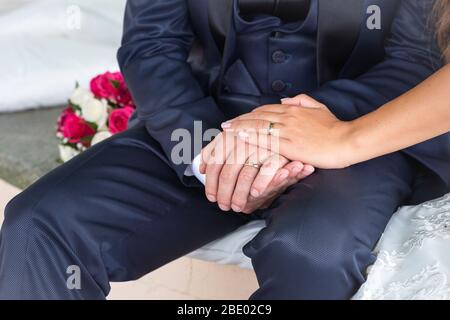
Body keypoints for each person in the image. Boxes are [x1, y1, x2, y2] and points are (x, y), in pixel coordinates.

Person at [0, 0, 448, 300]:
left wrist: (292, 135)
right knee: (38, 225)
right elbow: (150, 43)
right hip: (204, 120)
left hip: (353, 132)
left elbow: (416, 60)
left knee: (310, 252)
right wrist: (205, 150)